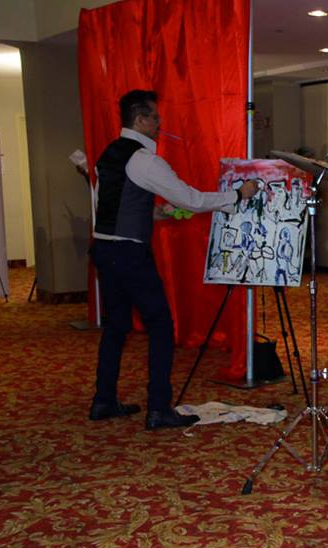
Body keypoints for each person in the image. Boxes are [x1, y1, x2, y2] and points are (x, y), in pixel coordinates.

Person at [89, 89, 257, 430]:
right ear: (140, 120)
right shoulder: (144, 159)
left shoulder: (108, 154)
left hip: (104, 250)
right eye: (154, 117)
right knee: (161, 325)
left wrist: (155, 214)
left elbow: (106, 207)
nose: (159, 123)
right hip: (129, 253)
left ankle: (103, 400)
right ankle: (159, 408)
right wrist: (237, 195)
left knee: (116, 326)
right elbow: (191, 199)